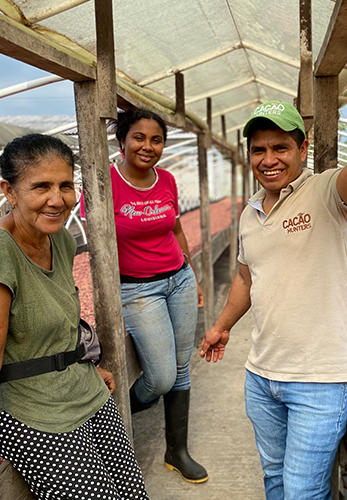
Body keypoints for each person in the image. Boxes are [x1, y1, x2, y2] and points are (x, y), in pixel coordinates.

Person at [199, 23, 347, 500]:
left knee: (303, 491)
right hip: (262, 375)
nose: (269, 159)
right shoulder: (249, 212)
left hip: (319, 379)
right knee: (277, 481)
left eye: (281, 147)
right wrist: (222, 326)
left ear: (303, 148)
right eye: (258, 149)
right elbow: (246, 276)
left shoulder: (326, 194)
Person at [0, 134, 149, 500]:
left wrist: (82, 359)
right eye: (40, 186)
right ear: (9, 191)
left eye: (65, 186)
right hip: (30, 407)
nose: (57, 200)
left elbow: (59, 315)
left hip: (80, 387)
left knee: (133, 493)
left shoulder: (60, 238)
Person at [81, 109, 208, 483]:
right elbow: (98, 245)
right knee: (161, 376)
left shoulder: (166, 179)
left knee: (182, 366)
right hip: (138, 289)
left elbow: (177, 230)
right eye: (139, 137)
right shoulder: (105, 181)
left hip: (179, 279)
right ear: (122, 141)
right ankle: (107, 423)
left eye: (156, 139)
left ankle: (177, 450)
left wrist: (193, 275)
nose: (147, 146)